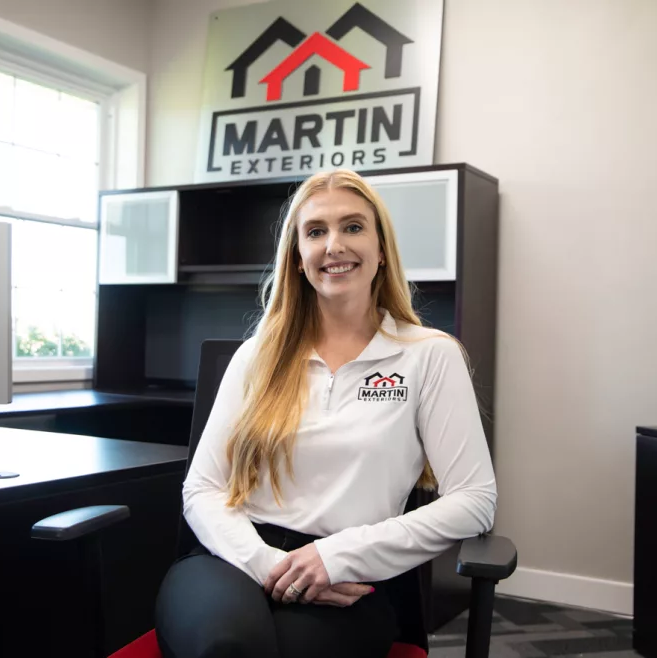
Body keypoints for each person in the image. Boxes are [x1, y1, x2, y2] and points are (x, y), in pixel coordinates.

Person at [154, 169, 497, 658]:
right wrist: (267, 563)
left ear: (382, 250)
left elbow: (475, 500)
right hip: (234, 556)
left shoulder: (428, 355)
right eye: (316, 231)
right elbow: (202, 488)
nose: (334, 245)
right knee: (227, 646)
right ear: (298, 257)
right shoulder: (257, 356)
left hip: (348, 577)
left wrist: (335, 555)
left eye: (353, 227)